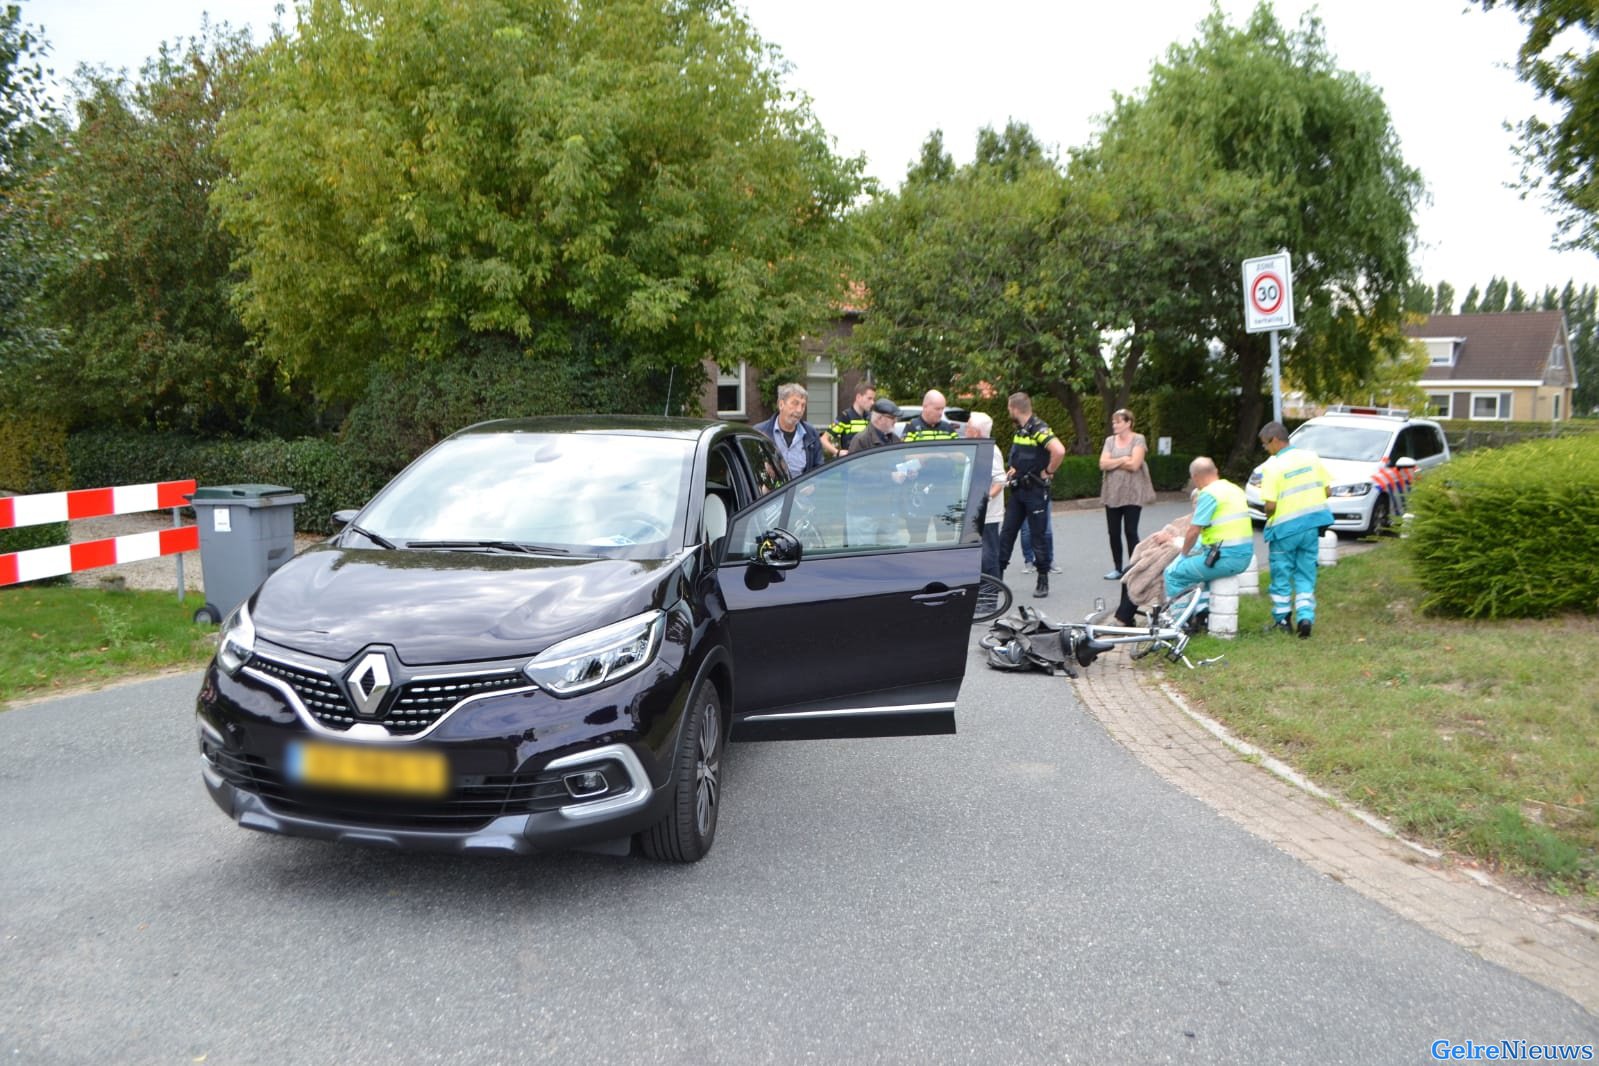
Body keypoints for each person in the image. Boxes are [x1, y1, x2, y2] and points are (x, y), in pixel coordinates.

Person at [1257, 420, 1333, 638]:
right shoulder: (1311, 457)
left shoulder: (1272, 466)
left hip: (1285, 530)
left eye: (1265, 444)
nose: (1266, 449)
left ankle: (1282, 621)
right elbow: (1327, 491)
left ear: (1274, 440)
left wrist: (1268, 512)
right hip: (1311, 526)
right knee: (1305, 573)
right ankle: (1305, 617)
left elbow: (1270, 505)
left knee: (1281, 575)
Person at [1159, 457, 1254, 627]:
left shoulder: (1209, 494)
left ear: (1195, 477)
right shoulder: (1234, 489)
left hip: (1225, 558)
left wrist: (1182, 556)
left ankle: (1179, 622)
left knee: (1173, 574)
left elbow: (1194, 530)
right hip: (1243, 554)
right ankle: (1202, 616)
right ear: (1215, 471)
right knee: (1205, 576)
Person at [997, 392, 1065, 598]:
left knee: (1038, 536)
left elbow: (1059, 450)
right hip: (1019, 491)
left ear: (1015, 409)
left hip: (1035, 491)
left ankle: (1042, 578)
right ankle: (997, 578)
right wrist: (1013, 469)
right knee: (1007, 533)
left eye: (1009, 408)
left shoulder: (1038, 428)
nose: (1008, 412)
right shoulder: (1021, 429)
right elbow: (1020, 456)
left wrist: (1049, 472)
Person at [1098, 408, 1156, 581]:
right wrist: (1123, 459)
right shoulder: (1110, 440)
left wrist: (1114, 462)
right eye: (1113, 422)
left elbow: (1135, 465)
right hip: (1112, 493)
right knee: (1113, 532)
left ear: (1128, 423)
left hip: (1132, 492)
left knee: (1131, 531)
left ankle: (1134, 567)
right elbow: (1102, 463)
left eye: (1118, 422)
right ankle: (1117, 568)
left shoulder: (1138, 439)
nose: (1114, 425)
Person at [963, 412, 1006, 579]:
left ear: (976, 432)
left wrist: (985, 498)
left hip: (987, 514)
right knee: (979, 555)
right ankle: (983, 594)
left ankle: (990, 597)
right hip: (976, 512)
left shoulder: (990, 451)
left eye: (968, 427)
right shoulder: (976, 448)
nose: (965, 430)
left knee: (988, 556)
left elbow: (1000, 480)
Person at [754, 382, 824, 479]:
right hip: (771, 493)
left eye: (803, 405)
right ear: (781, 404)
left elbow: (819, 469)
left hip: (801, 493)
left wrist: (812, 485)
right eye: (795, 404)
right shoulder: (759, 432)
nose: (799, 410)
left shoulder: (811, 434)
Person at [823, 381, 876, 458]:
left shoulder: (870, 417)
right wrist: (837, 452)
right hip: (851, 464)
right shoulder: (845, 417)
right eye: (869, 398)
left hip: (867, 463)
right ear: (858, 397)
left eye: (873, 399)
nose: (872, 402)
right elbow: (823, 439)